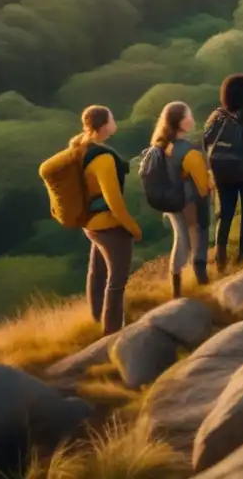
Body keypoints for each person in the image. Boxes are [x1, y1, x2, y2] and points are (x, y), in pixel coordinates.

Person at [74, 105, 141, 336]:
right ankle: (112, 332)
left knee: (97, 273)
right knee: (117, 280)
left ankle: (96, 318)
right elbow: (114, 201)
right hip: (108, 225)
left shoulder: (80, 149)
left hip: (90, 224)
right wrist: (132, 227)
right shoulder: (102, 159)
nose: (115, 121)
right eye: (112, 118)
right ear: (104, 126)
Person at [203, 74, 243, 271]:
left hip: (221, 171)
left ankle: (219, 255)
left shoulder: (216, 115)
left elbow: (206, 142)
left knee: (224, 213)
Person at [151, 102, 213, 296]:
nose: (192, 119)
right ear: (181, 122)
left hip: (170, 203)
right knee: (199, 239)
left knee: (181, 240)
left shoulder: (159, 146)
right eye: (189, 116)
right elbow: (203, 185)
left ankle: (176, 287)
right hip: (190, 203)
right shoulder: (189, 151)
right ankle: (202, 282)